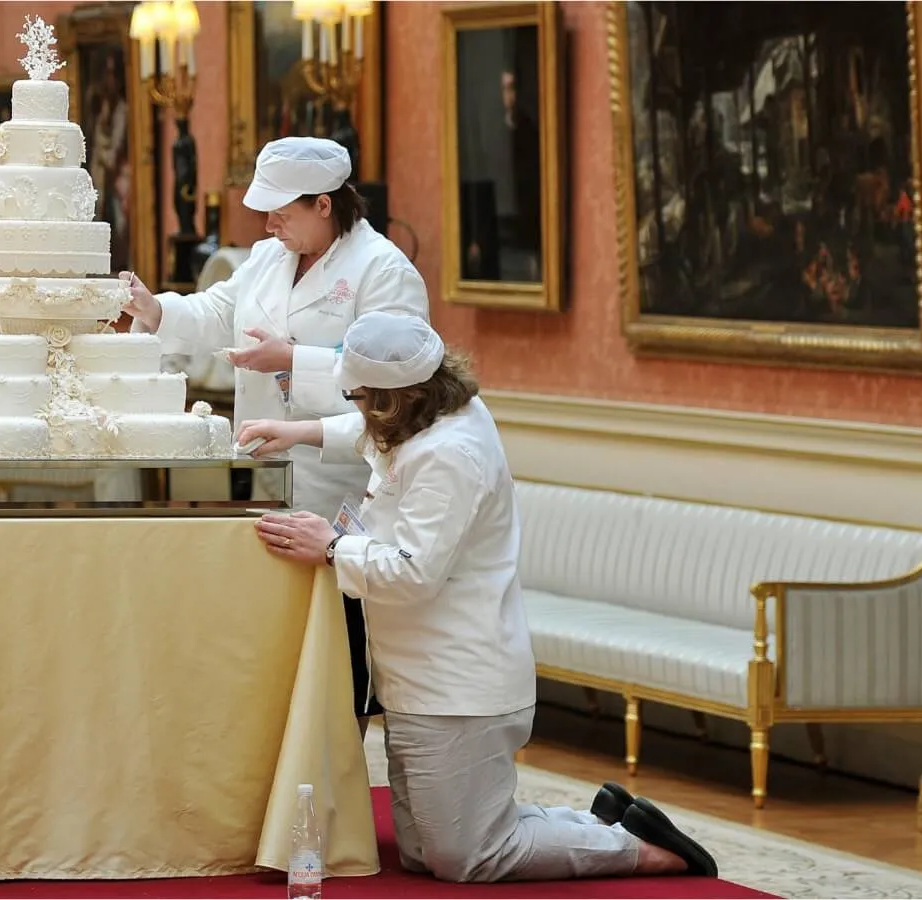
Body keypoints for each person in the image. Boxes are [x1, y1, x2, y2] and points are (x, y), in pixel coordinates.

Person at [238, 312, 717, 883]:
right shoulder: (435, 412)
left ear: (397, 397)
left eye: (360, 397)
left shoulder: (449, 455)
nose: (356, 408)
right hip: (420, 676)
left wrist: (333, 547)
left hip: (460, 685)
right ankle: (597, 824)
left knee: (466, 857)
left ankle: (639, 850)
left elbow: (414, 572)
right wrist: (303, 432)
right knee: (422, 852)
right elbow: (369, 438)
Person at [123, 136, 429, 729]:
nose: (268, 223)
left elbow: (396, 385)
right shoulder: (268, 257)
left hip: (337, 484)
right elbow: (216, 312)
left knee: (337, 636)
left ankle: (337, 753)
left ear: (324, 204)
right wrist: (154, 308)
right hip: (261, 473)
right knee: (265, 638)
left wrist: (293, 359)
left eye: (282, 213)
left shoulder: (384, 271)